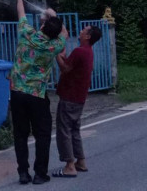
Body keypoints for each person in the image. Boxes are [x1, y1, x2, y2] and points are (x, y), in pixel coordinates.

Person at [9, 0, 67, 185]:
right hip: (37, 95)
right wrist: (55, 16)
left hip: (17, 92)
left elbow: (21, 13)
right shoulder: (54, 46)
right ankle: (40, 174)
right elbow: (64, 33)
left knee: (20, 134)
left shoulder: (26, 34)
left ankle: (23, 173)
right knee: (42, 134)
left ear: (42, 25)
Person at [52, 24, 103, 179]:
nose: (80, 31)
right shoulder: (88, 51)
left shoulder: (80, 51)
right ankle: (80, 161)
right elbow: (70, 64)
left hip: (69, 96)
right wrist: (61, 55)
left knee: (64, 130)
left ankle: (69, 166)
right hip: (79, 97)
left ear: (88, 36)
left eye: (84, 30)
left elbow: (65, 68)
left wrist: (55, 53)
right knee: (74, 130)